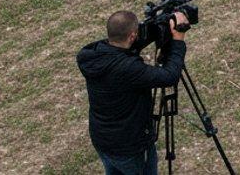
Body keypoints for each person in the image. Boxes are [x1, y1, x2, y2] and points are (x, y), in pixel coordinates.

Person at [77, 11, 190, 175]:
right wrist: (178, 40)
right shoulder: (128, 68)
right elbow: (170, 76)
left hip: (103, 139)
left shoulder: (89, 55)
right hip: (130, 147)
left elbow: (122, 49)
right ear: (132, 36)